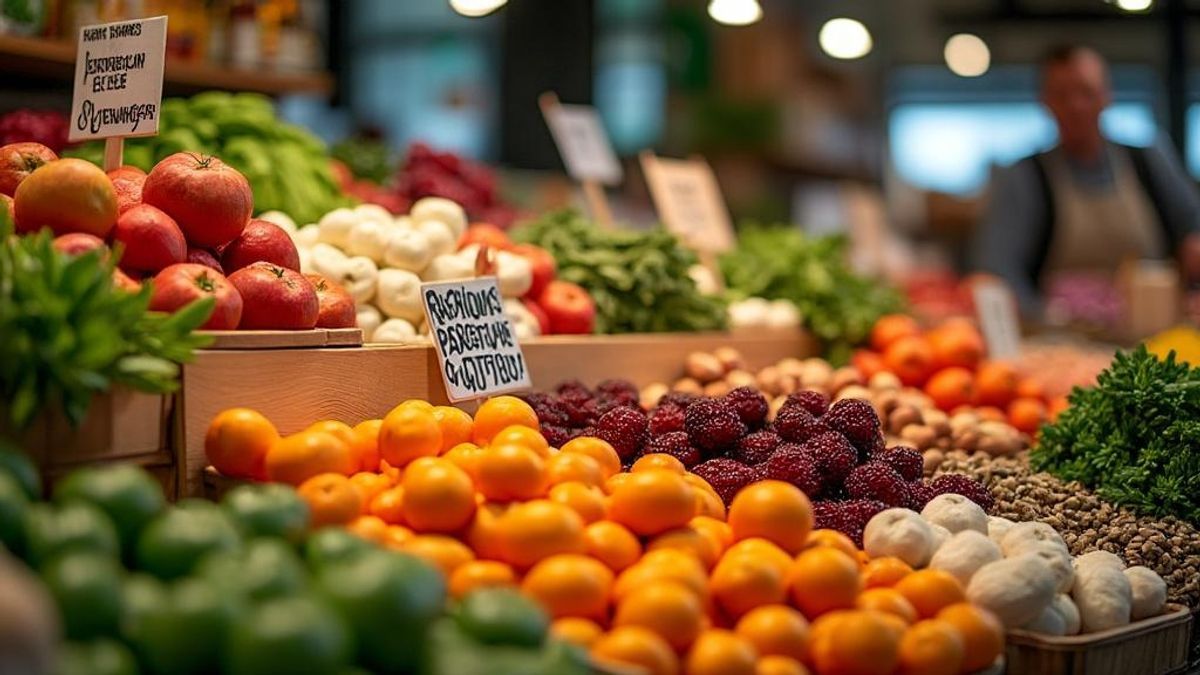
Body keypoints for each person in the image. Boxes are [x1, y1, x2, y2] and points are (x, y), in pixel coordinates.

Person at [972, 44, 1200, 314]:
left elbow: (1192, 231)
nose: (1076, 106)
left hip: (1155, 336)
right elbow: (998, 268)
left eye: (1086, 92)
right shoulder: (1026, 177)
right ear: (1044, 101)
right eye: (1062, 95)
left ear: (1107, 95)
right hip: (1061, 340)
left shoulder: (1149, 162)